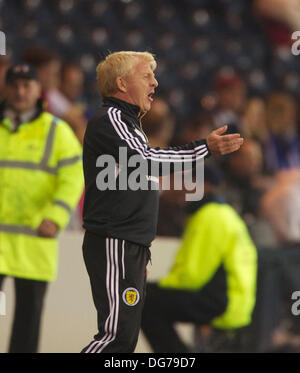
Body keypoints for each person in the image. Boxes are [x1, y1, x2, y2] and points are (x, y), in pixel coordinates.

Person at [81, 51, 244, 353]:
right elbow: (146, 161)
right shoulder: (112, 119)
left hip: (127, 244)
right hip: (116, 241)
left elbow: (137, 180)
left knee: (122, 339)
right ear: (121, 82)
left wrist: (141, 249)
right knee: (115, 338)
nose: (155, 83)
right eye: (146, 76)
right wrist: (203, 148)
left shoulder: (128, 126)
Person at [0, 63, 84, 353]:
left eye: (27, 85)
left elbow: (74, 178)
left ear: (38, 91)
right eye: (15, 85)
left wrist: (56, 216)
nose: (20, 91)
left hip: (34, 242)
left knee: (27, 324)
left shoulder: (57, 132)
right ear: (6, 88)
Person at [141, 164, 257, 353]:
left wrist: (157, 286)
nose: (171, 185)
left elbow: (191, 276)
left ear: (199, 184)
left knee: (144, 299)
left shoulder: (209, 216)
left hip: (223, 302)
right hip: (233, 302)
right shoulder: (219, 213)